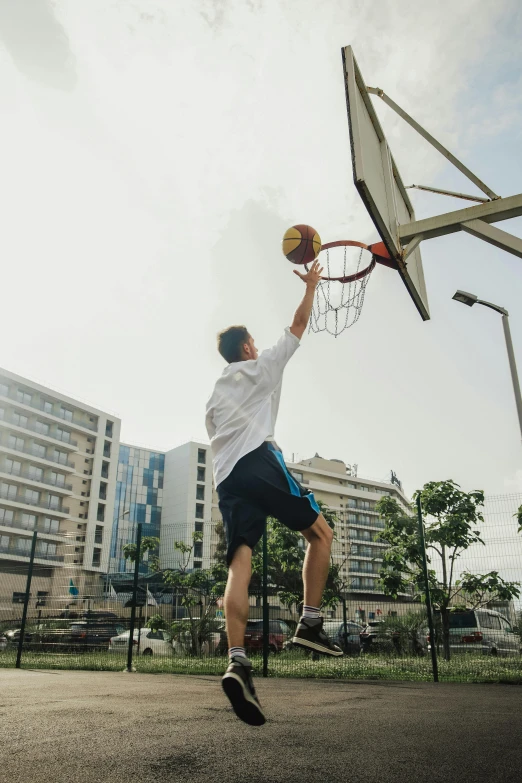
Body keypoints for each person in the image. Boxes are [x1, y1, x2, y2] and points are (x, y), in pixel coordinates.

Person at [205, 259, 342, 726]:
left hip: (226, 477)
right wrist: (312, 286)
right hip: (257, 459)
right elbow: (299, 325)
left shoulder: (217, 392)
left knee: (239, 560)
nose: (259, 346)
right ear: (246, 346)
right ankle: (311, 621)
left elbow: (216, 433)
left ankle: (237, 659)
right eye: (254, 343)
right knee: (320, 534)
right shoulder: (260, 367)